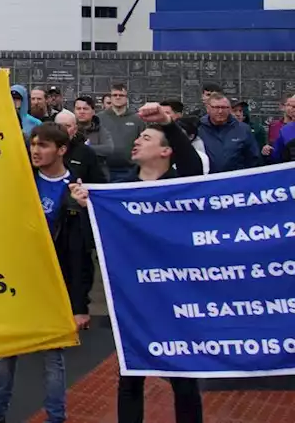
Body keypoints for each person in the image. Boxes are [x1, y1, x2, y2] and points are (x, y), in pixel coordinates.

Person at [71, 106, 203, 423]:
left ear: (166, 150)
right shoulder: (120, 191)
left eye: (145, 137)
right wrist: (88, 206)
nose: (136, 142)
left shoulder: (180, 183)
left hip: (176, 295)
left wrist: (168, 125)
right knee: (130, 376)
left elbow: (192, 164)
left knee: (184, 380)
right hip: (134, 297)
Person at [0, 122, 92, 423]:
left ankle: (56, 418)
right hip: (19, 280)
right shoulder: (24, 178)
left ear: (61, 149)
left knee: (53, 360)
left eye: (43, 145)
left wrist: (79, 305)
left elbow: (82, 252)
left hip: (53, 285)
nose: (35, 150)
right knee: (6, 356)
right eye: (33, 144)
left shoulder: (78, 189)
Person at [196, 92, 260, 172]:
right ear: (208, 108)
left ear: (229, 109)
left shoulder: (243, 129)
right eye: (216, 107)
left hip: (234, 181)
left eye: (224, 107)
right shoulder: (198, 128)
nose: (220, 111)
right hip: (206, 181)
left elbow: (253, 158)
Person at [97, 82, 142, 180]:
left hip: (130, 170)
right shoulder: (98, 118)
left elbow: (143, 144)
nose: (118, 97)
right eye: (114, 95)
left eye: (121, 95)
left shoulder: (138, 119)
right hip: (104, 170)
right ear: (111, 98)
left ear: (126, 98)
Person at [54, 110, 106, 185]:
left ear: (75, 129)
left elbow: (99, 184)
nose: (63, 130)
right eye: (59, 126)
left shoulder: (86, 153)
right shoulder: (44, 150)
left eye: (67, 126)